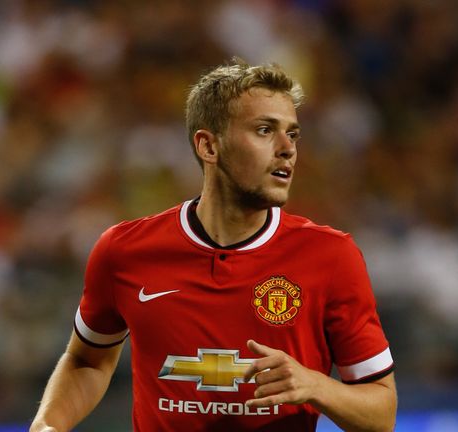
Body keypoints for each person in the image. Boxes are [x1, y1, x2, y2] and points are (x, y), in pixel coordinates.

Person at [30, 59, 397, 432]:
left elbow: (381, 414)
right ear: (209, 145)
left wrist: (317, 385)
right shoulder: (123, 251)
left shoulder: (331, 257)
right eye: (265, 130)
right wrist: (48, 425)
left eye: (293, 134)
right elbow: (87, 361)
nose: (287, 148)